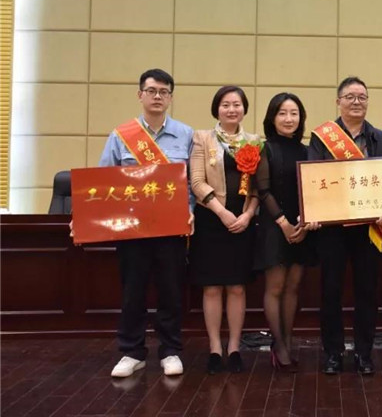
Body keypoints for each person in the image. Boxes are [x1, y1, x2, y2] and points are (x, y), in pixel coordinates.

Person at [98, 69, 194, 378]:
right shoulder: (121, 135)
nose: (157, 96)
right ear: (140, 95)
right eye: (151, 91)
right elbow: (103, 182)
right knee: (133, 291)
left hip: (172, 228)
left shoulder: (186, 134)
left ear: (170, 98)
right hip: (132, 230)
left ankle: (170, 350)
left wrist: (190, 209)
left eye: (164, 92)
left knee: (171, 291)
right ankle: (132, 352)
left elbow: (192, 182)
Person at [308, 77, 382, 375]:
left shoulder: (380, 137)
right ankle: (333, 353)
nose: (356, 102)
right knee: (330, 291)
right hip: (332, 228)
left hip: (368, 227)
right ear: (338, 102)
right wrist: (313, 210)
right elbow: (314, 178)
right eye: (350, 97)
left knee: (367, 291)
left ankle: (363, 353)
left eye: (362, 97)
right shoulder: (322, 137)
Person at [189, 86, 260, 374]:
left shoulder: (254, 141)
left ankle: (234, 348)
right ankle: (215, 348)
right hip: (211, 221)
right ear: (216, 109)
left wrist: (248, 214)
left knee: (237, 286)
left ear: (244, 109)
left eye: (237, 104)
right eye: (226, 104)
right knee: (212, 287)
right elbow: (196, 181)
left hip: (242, 222)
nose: (232, 109)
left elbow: (258, 187)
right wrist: (222, 212)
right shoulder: (202, 138)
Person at [255, 93, 319, 371]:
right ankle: (278, 345)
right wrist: (283, 222)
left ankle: (288, 340)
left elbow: (314, 189)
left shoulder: (308, 151)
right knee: (276, 287)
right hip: (274, 226)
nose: (288, 119)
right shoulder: (265, 148)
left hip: (302, 226)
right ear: (272, 118)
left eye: (294, 113)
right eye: (282, 113)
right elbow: (263, 190)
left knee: (293, 287)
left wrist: (303, 223)